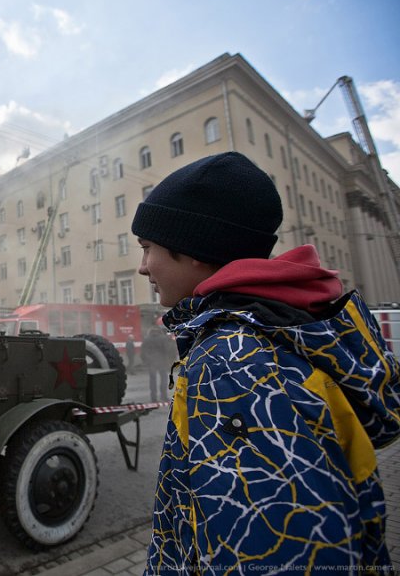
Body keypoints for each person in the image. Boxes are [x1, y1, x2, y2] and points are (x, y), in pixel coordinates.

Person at [131, 151, 399, 573]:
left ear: (194, 247)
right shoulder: (277, 329)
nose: (143, 267)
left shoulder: (235, 361)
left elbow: (276, 550)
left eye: (148, 248)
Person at [139, 327, 174, 402]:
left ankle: (153, 398)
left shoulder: (146, 339)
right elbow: (167, 350)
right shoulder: (163, 338)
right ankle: (163, 396)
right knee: (164, 379)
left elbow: (142, 352)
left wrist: (146, 360)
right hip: (162, 361)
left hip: (151, 362)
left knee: (152, 380)